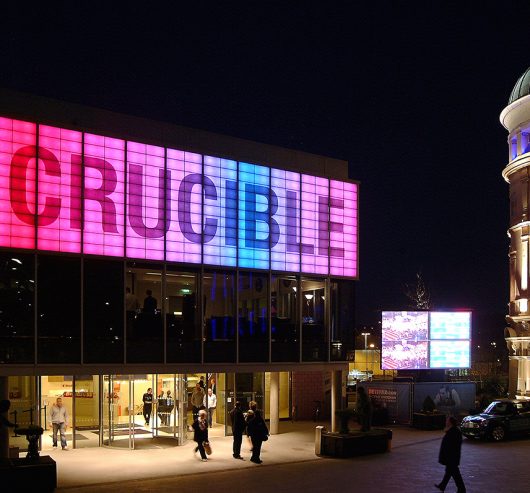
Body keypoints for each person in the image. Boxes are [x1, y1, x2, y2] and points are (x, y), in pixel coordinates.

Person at [435, 416, 466, 493]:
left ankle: (462, 489)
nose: (446, 422)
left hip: (452, 457)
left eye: (447, 420)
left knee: (455, 473)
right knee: (449, 471)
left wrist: (447, 456)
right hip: (451, 457)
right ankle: (442, 485)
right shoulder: (452, 430)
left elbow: (452, 445)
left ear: (450, 422)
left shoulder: (454, 431)